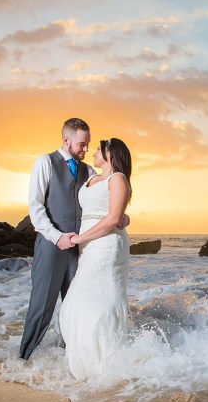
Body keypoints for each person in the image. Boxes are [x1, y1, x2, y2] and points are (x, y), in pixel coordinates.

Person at [20, 118, 128, 360]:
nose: (86, 150)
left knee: (76, 309)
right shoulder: (45, 162)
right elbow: (35, 208)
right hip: (52, 245)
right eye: (82, 144)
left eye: (89, 145)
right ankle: (23, 359)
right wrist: (57, 237)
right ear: (66, 140)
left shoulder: (88, 171)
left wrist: (123, 217)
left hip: (82, 250)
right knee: (42, 306)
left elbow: (104, 202)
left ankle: (71, 360)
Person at [59, 138, 132, 381]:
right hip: (89, 245)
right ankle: (83, 365)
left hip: (107, 245)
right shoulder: (91, 177)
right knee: (75, 304)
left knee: (101, 301)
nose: (93, 153)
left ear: (110, 154)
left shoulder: (117, 178)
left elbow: (113, 218)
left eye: (99, 150)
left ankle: (106, 365)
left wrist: (80, 239)